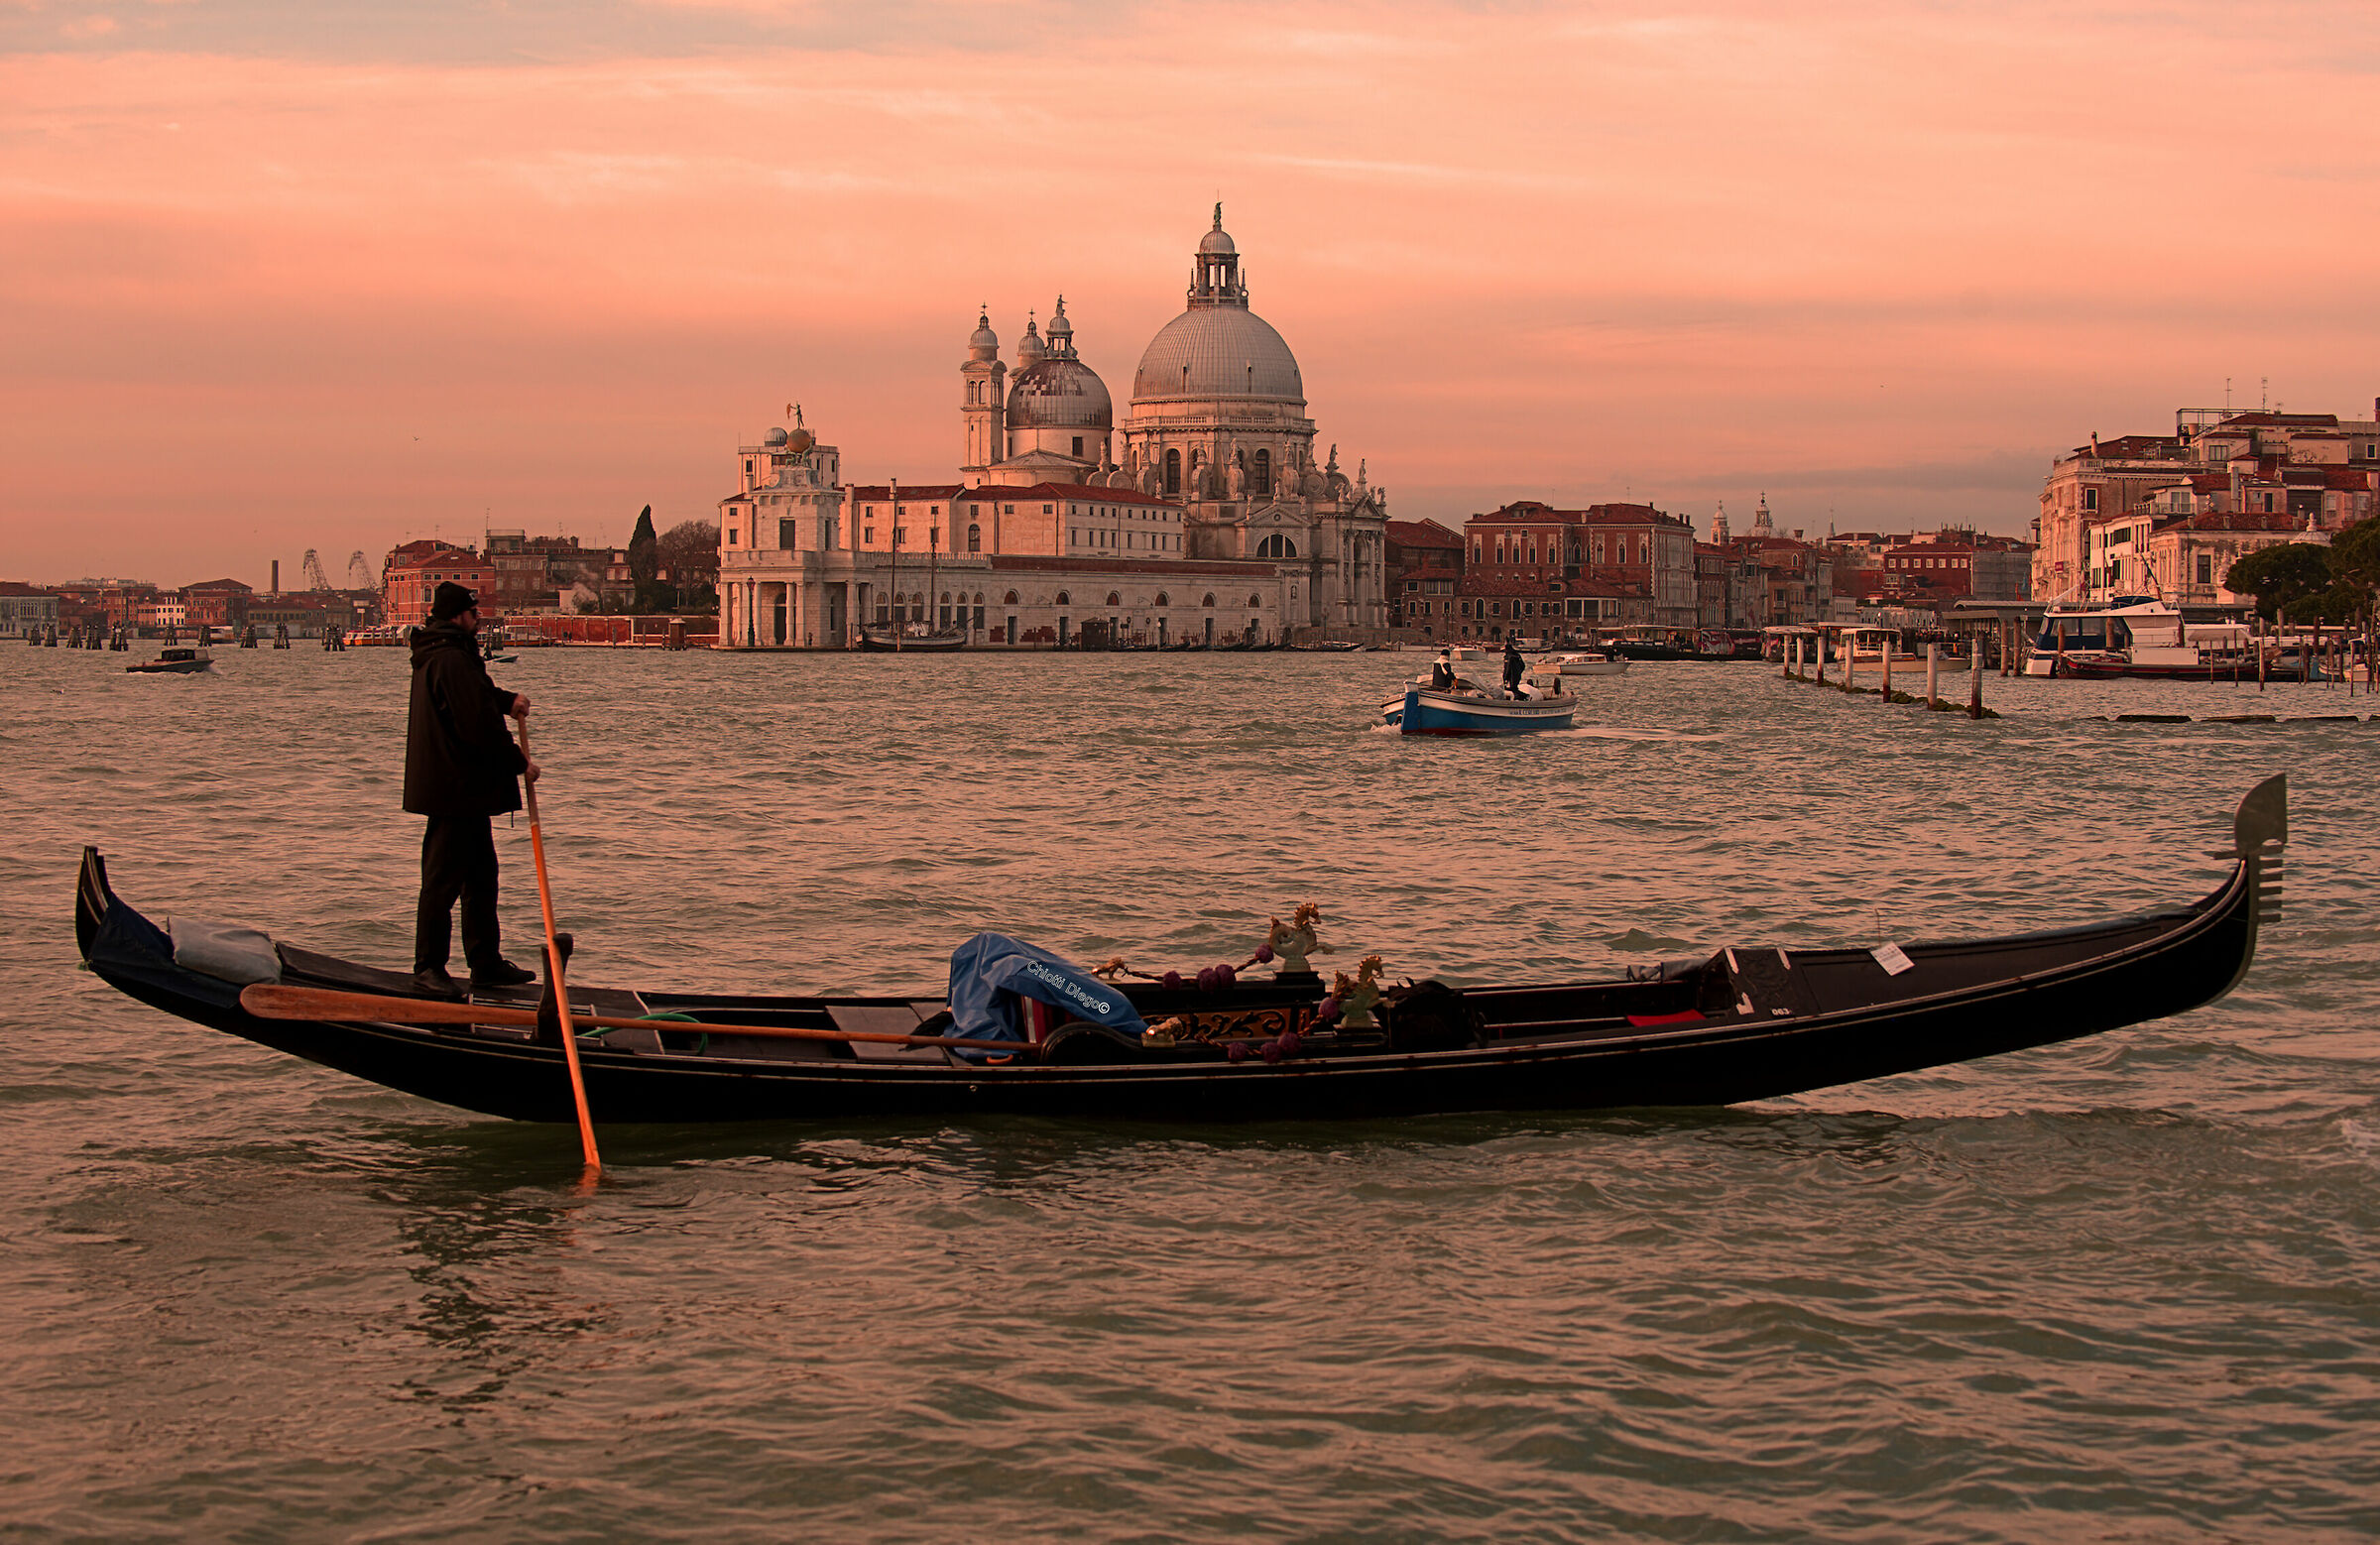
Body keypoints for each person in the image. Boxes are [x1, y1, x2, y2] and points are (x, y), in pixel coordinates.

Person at [404, 581, 540, 997]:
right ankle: (428, 966)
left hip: (463, 787)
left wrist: (505, 700)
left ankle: (485, 962)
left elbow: (475, 700)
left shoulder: (449, 654)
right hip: (454, 788)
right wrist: (521, 764)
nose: (479, 620)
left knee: (482, 876)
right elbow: (477, 725)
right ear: (458, 616)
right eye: (474, 613)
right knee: (443, 880)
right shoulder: (450, 658)